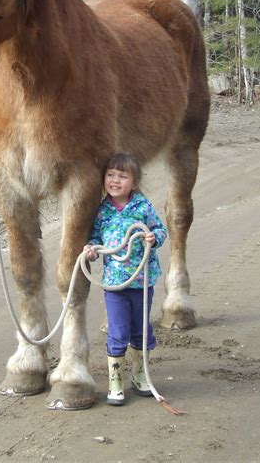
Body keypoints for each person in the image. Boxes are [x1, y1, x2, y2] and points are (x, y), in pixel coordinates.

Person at [83, 153, 167, 406]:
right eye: (110, 175)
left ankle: (140, 375)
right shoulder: (102, 210)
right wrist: (92, 249)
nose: (115, 180)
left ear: (134, 181)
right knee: (118, 331)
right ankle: (116, 380)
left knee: (141, 330)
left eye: (122, 176)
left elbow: (160, 229)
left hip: (142, 283)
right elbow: (96, 237)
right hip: (115, 284)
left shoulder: (142, 206)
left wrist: (154, 238)